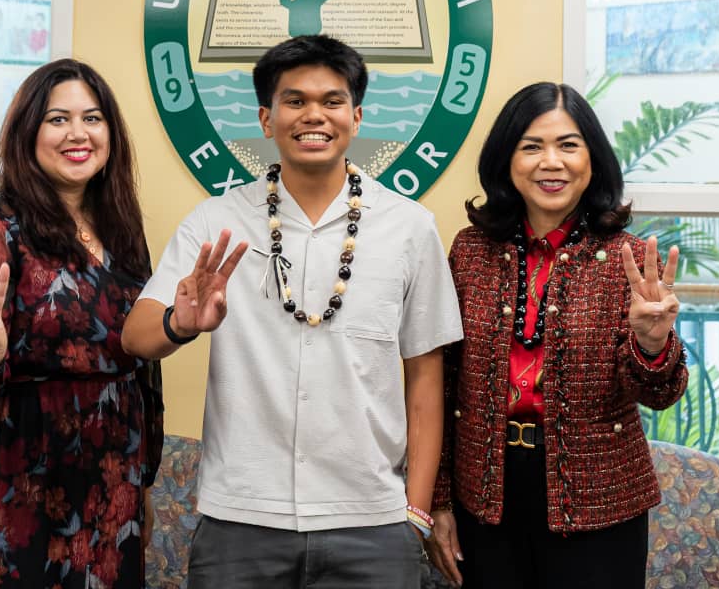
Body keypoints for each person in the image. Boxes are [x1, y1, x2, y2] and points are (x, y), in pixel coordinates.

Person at [122, 34, 463, 589]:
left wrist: (415, 513)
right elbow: (137, 336)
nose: (314, 115)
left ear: (355, 116)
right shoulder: (216, 221)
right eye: (294, 100)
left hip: (371, 521)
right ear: (265, 118)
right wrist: (179, 323)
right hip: (240, 521)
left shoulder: (409, 226)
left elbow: (426, 375)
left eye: (332, 101)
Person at [0, 59, 162, 588]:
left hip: (105, 487)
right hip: (3, 491)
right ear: (28, 132)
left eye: (93, 118)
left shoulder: (122, 229)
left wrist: (141, 478)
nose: (78, 133)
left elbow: (139, 359)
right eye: (58, 119)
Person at [428, 82, 688, 589]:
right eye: (531, 146)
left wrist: (652, 345)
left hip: (601, 503)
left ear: (594, 159)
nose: (551, 162)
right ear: (507, 159)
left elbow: (660, 395)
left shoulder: (629, 260)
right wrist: (437, 500)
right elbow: (440, 382)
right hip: (485, 498)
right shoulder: (469, 251)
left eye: (569, 145)